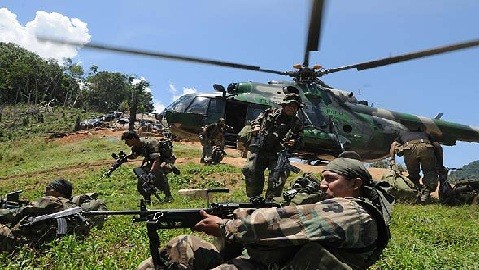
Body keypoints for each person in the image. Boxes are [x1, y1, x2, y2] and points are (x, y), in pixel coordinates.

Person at [137, 157, 394, 270]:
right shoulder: (334, 206)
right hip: (268, 261)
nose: (323, 184)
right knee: (181, 246)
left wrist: (227, 226)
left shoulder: (355, 213)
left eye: (331, 179)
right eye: (322, 178)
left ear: (356, 184)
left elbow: (279, 223)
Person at [0, 178, 105, 253]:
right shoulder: (71, 207)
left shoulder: (51, 201)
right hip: (45, 246)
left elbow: (16, 214)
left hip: (21, 244)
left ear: (59, 192)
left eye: (49, 188)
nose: (45, 191)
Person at [242, 93, 304, 200]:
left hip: (278, 154)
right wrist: (256, 126)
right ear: (284, 105)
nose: (291, 109)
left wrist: (294, 142)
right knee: (251, 171)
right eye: (289, 105)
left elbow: (300, 140)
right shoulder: (270, 113)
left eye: (294, 107)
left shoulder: (297, 123)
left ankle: (271, 201)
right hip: (261, 149)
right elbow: (256, 121)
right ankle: (254, 198)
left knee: (279, 176)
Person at [121, 131, 178, 203]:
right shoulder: (137, 146)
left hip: (165, 160)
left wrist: (151, 173)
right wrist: (125, 157)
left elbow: (156, 160)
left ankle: (168, 196)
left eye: (127, 140)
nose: (126, 143)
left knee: (158, 173)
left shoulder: (150, 143)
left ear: (133, 138)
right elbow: (134, 156)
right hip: (152, 161)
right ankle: (147, 199)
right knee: (142, 180)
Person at [389, 128, 444, 203]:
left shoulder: (403, 134)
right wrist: (440, 164)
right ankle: (426, 193)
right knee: (430, 172)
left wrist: (392, 161)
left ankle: (416, 194)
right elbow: (438, 146)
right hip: (425, 147)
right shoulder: (425, 134)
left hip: (409, 149)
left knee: (413, 175)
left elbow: (393, 145)